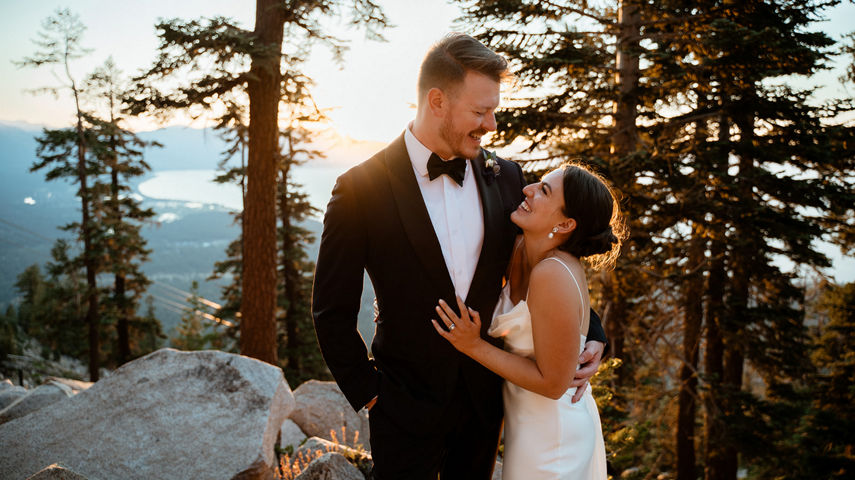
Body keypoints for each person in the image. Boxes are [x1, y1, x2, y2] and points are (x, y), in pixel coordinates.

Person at [311, 33, 607, 480]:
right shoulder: (359, 190)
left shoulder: (506, 179)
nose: (491, 125)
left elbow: (545, 266)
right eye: (480, 111)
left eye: (493, 110)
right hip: (402, 409)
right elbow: (331, 309)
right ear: (437, 101)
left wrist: (594, 333)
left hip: (485, 407)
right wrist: (371, 393)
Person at [432, 163, 625, 479]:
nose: (527, 189)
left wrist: (472, 345)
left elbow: (553, 384)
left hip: (554, 435)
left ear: (565, 224)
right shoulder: (521, 247)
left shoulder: (552, 273)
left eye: (544, 190)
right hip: (528, 426)